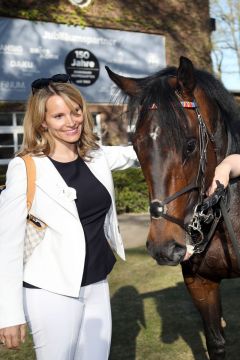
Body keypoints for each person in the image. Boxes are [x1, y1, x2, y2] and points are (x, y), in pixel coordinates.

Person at [0, 74, 138, 360]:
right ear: (42, 122)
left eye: (76, 111)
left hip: (97, 282)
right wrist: (8, 314)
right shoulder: (24, 167)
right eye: (59, 115)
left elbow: (138, 154)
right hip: (50, 290)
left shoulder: (96, 156)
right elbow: (7, 246)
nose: (72, 121)